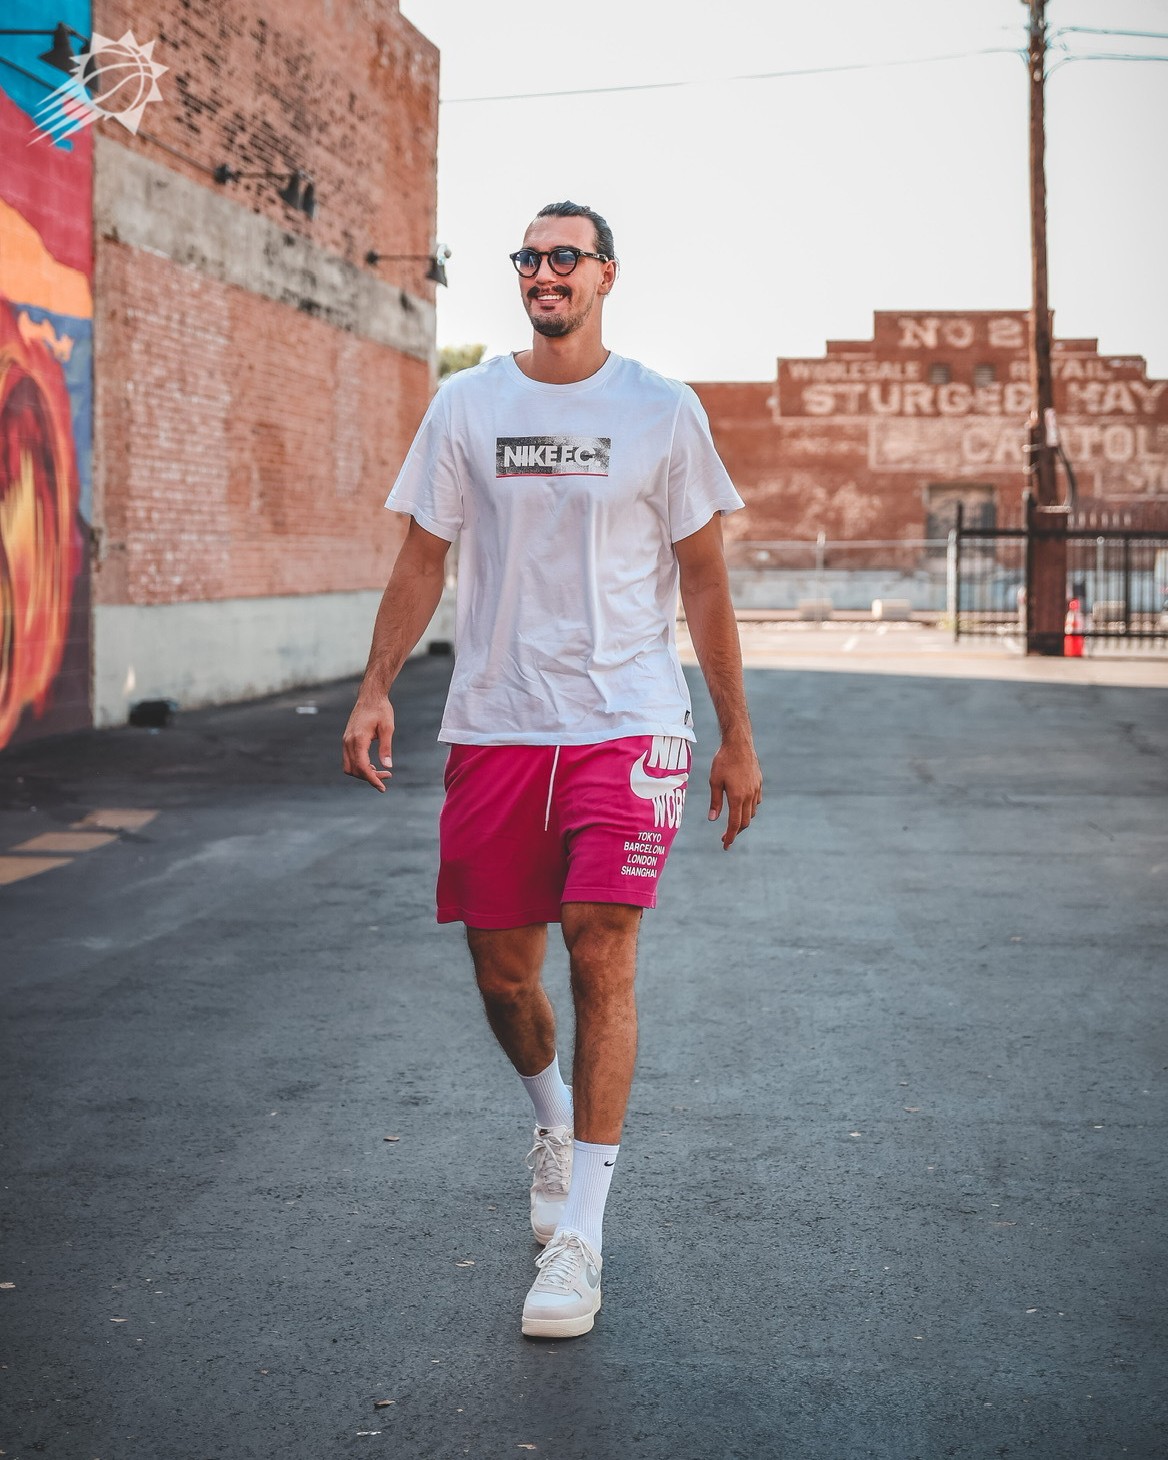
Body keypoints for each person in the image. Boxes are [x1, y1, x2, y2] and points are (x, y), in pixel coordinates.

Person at [343, 200, 762, 1339]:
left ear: (605, 276)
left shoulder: (661, 412)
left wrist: (733, 730)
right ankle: (549, 1110)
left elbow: (707, 580)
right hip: (497, 720)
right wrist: (376, 684)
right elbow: (423, 556)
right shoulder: (466, 404)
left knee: (599, 940)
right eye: (527, 257)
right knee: (501, 973)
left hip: (627, 718)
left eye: (562, 256)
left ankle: (580, 1229)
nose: (542, 271)